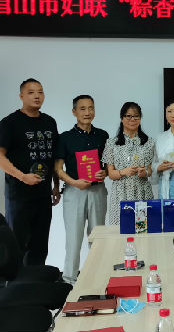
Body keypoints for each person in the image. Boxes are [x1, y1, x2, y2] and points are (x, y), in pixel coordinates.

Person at [0, 78, 59, 266]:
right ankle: (16, 283)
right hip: (19, 196)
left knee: (40, 246)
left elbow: (53, 156)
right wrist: (22, 177)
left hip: (43, 195)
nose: (37, 96)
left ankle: (34, 282)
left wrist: (56, 185)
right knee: (18, 245)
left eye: (40, 92)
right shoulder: (10, 123)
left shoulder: (49, 122)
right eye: (31, 92)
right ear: (21, 96)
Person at [54, 94, 109, 283]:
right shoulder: (65, 138)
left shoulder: (102, 135)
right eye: (83, 108)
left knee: (97, 237)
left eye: (91, 108)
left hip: (97, 191)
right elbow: (57, 169)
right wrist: (74, 182)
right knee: (74, 239)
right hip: (74, 191)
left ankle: (98, 278)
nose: (87, 112)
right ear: (74, 112)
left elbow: (107, 167)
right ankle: (69, 280)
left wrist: (104, 173)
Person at [103, 102, 155, 225]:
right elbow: (111, 174)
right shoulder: (112, 143)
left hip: (142, 192)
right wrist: (123, 172)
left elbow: (150, 170)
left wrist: (144, 172)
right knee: (120, 230)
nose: (132, 119)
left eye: (136, 116)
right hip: (120, 194)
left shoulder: (149, 142)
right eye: (128, 116)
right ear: (122, 118)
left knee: (143, 228)